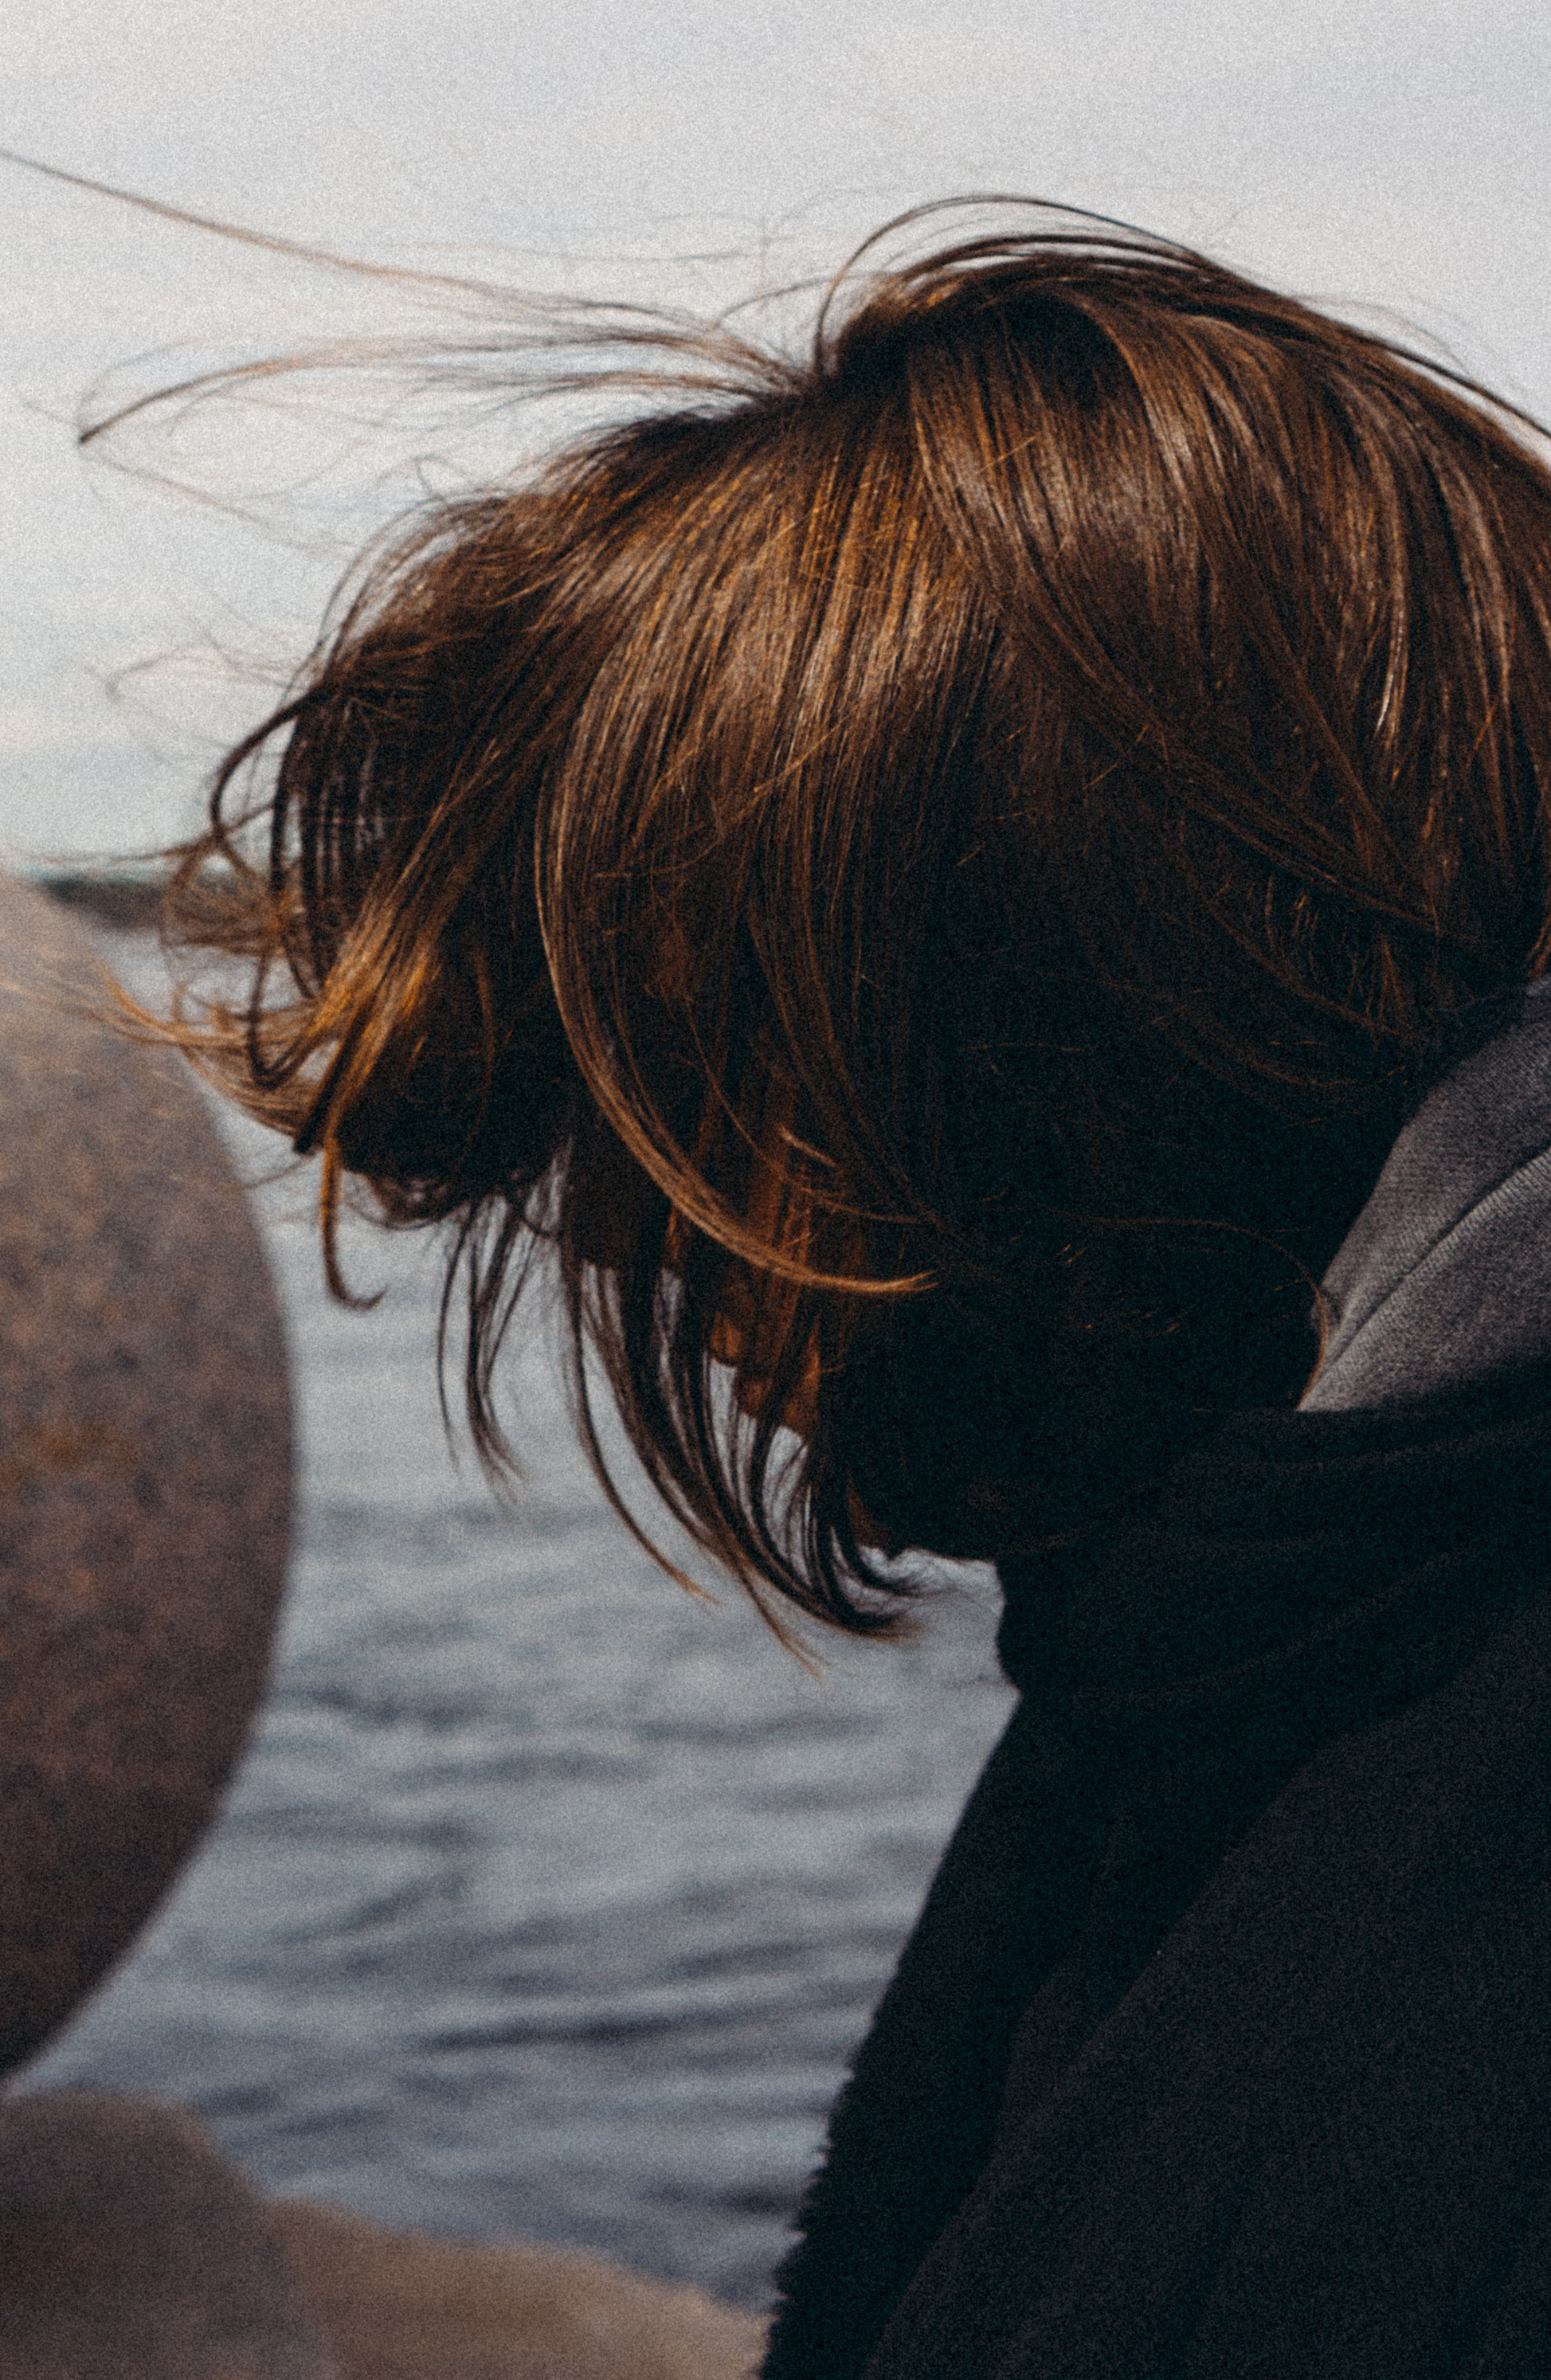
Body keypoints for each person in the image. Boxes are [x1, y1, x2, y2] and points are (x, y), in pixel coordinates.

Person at [157, 210, 1551, 2377]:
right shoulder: (1249, 1618)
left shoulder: (1398, 1794)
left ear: (1066, 1016)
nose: (614, 1233)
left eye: (703, 1074)